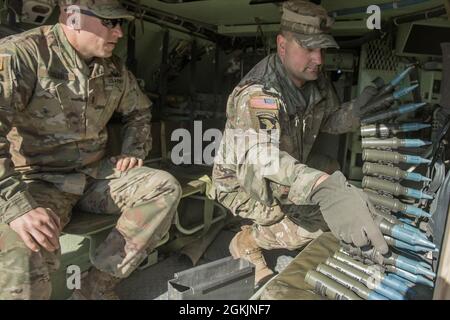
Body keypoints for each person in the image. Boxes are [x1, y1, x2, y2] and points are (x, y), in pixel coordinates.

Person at [0, 0, 182, 299]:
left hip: (94, 176)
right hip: (39, 181)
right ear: (71, 17)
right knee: (25, 241)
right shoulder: (22, 54)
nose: (119, 33)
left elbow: (139, 112)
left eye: (120, 23)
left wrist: (134, 149)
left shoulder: (113, 68)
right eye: (109, 22)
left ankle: (94, 289)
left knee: (163, 187)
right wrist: (17, 207)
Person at [212, 0, 390, 286]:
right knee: (323, 224)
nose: (318, 59)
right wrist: (320, 188)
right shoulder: (259, 94)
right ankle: (248, 239)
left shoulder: (314, 80)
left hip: (289, 164)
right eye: (308, 49)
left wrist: (357, 111)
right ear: (282, 45)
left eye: (321, 49)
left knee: (334, 177)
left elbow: (329, 119)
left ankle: (283, 218)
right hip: (246, 185)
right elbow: (263, 161)